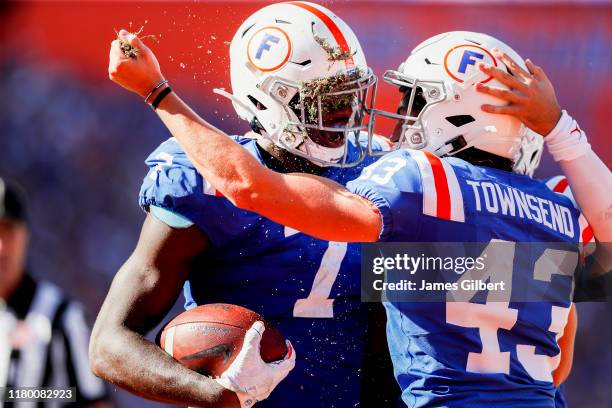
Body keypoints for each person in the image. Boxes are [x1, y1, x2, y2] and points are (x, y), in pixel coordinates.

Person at [107, 27, 611, 407]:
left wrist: (158, 93)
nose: (403, 118)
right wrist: (562, 128)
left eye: (417, 101)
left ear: (455, 117)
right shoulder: (562, 209)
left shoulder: (421, 180)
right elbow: (557, 364)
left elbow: (248, 186)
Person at [91, 2, 399, 407]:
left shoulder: (382, 172)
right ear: (267, 102)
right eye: (326, 99)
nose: (345, 113)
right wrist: (218, 396)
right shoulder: (199, 183)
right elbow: (108, 346)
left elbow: (394, 328)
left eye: (350, 93)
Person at [0, 177, 111, 407]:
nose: (1, 247)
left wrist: (40, 395)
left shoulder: (63, 316)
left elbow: (92, 400)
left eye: (8, 231)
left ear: (24, 236)